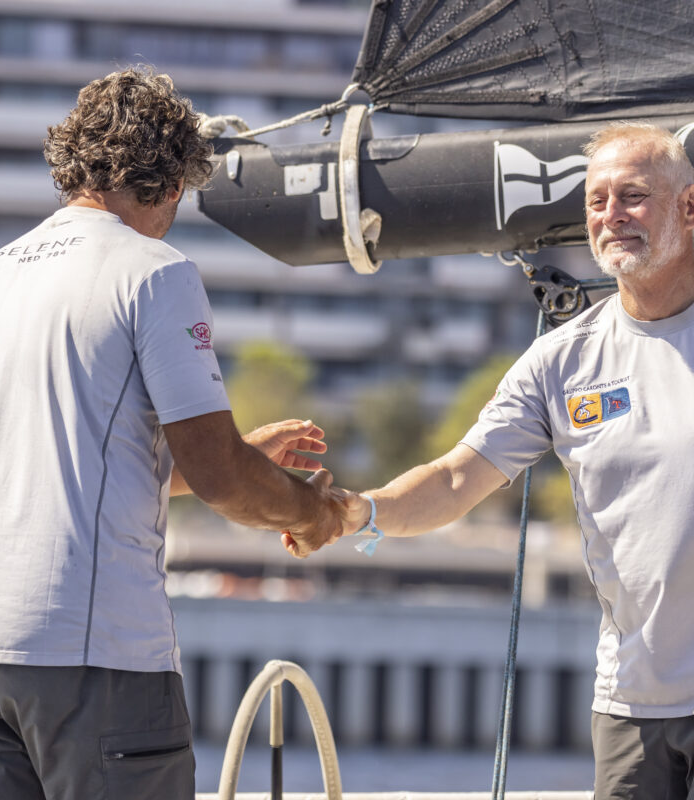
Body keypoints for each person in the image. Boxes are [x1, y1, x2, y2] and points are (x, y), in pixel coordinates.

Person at [0, 67, 344, 800]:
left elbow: (79, 461)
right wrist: (313, 512)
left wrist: (245, 455)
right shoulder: (156, 271)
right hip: (91, 653)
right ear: (172, 184)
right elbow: (220, 478)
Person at [287, 121, 694, 800]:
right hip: (631, 706)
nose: (611, 216)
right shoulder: (562, 362)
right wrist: (356, 512)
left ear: (688, 206)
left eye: (632, 197)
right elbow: (455, 478)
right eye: (596, 201)